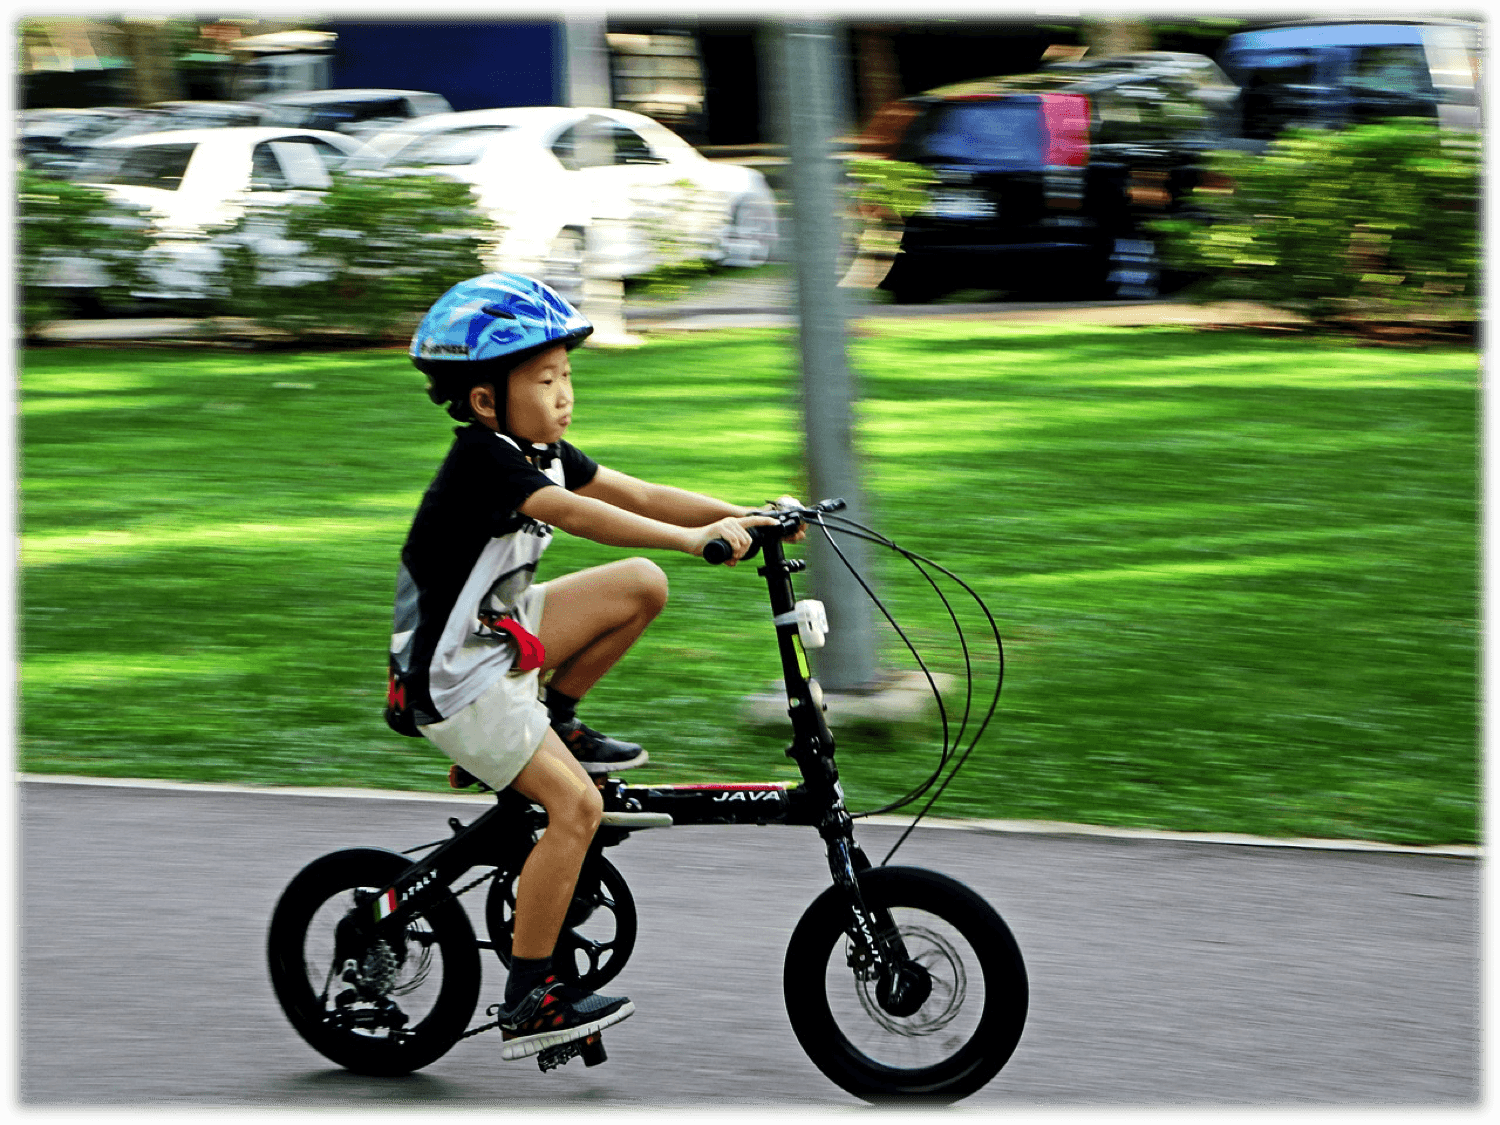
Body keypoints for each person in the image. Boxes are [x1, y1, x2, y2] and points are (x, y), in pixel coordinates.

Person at [389, 272, 789, 1061]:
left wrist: (741, 514)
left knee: (641, 585)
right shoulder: (486, 461)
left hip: (498, 640)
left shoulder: (535, 446)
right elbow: (578, 513)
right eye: (545, 378)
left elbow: (631, 489)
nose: (565, 390)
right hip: (456, 678)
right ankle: (532, 994)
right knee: (576, 808)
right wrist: (691, 538)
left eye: (568, 373)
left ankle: (558, 716)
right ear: (483, 399)